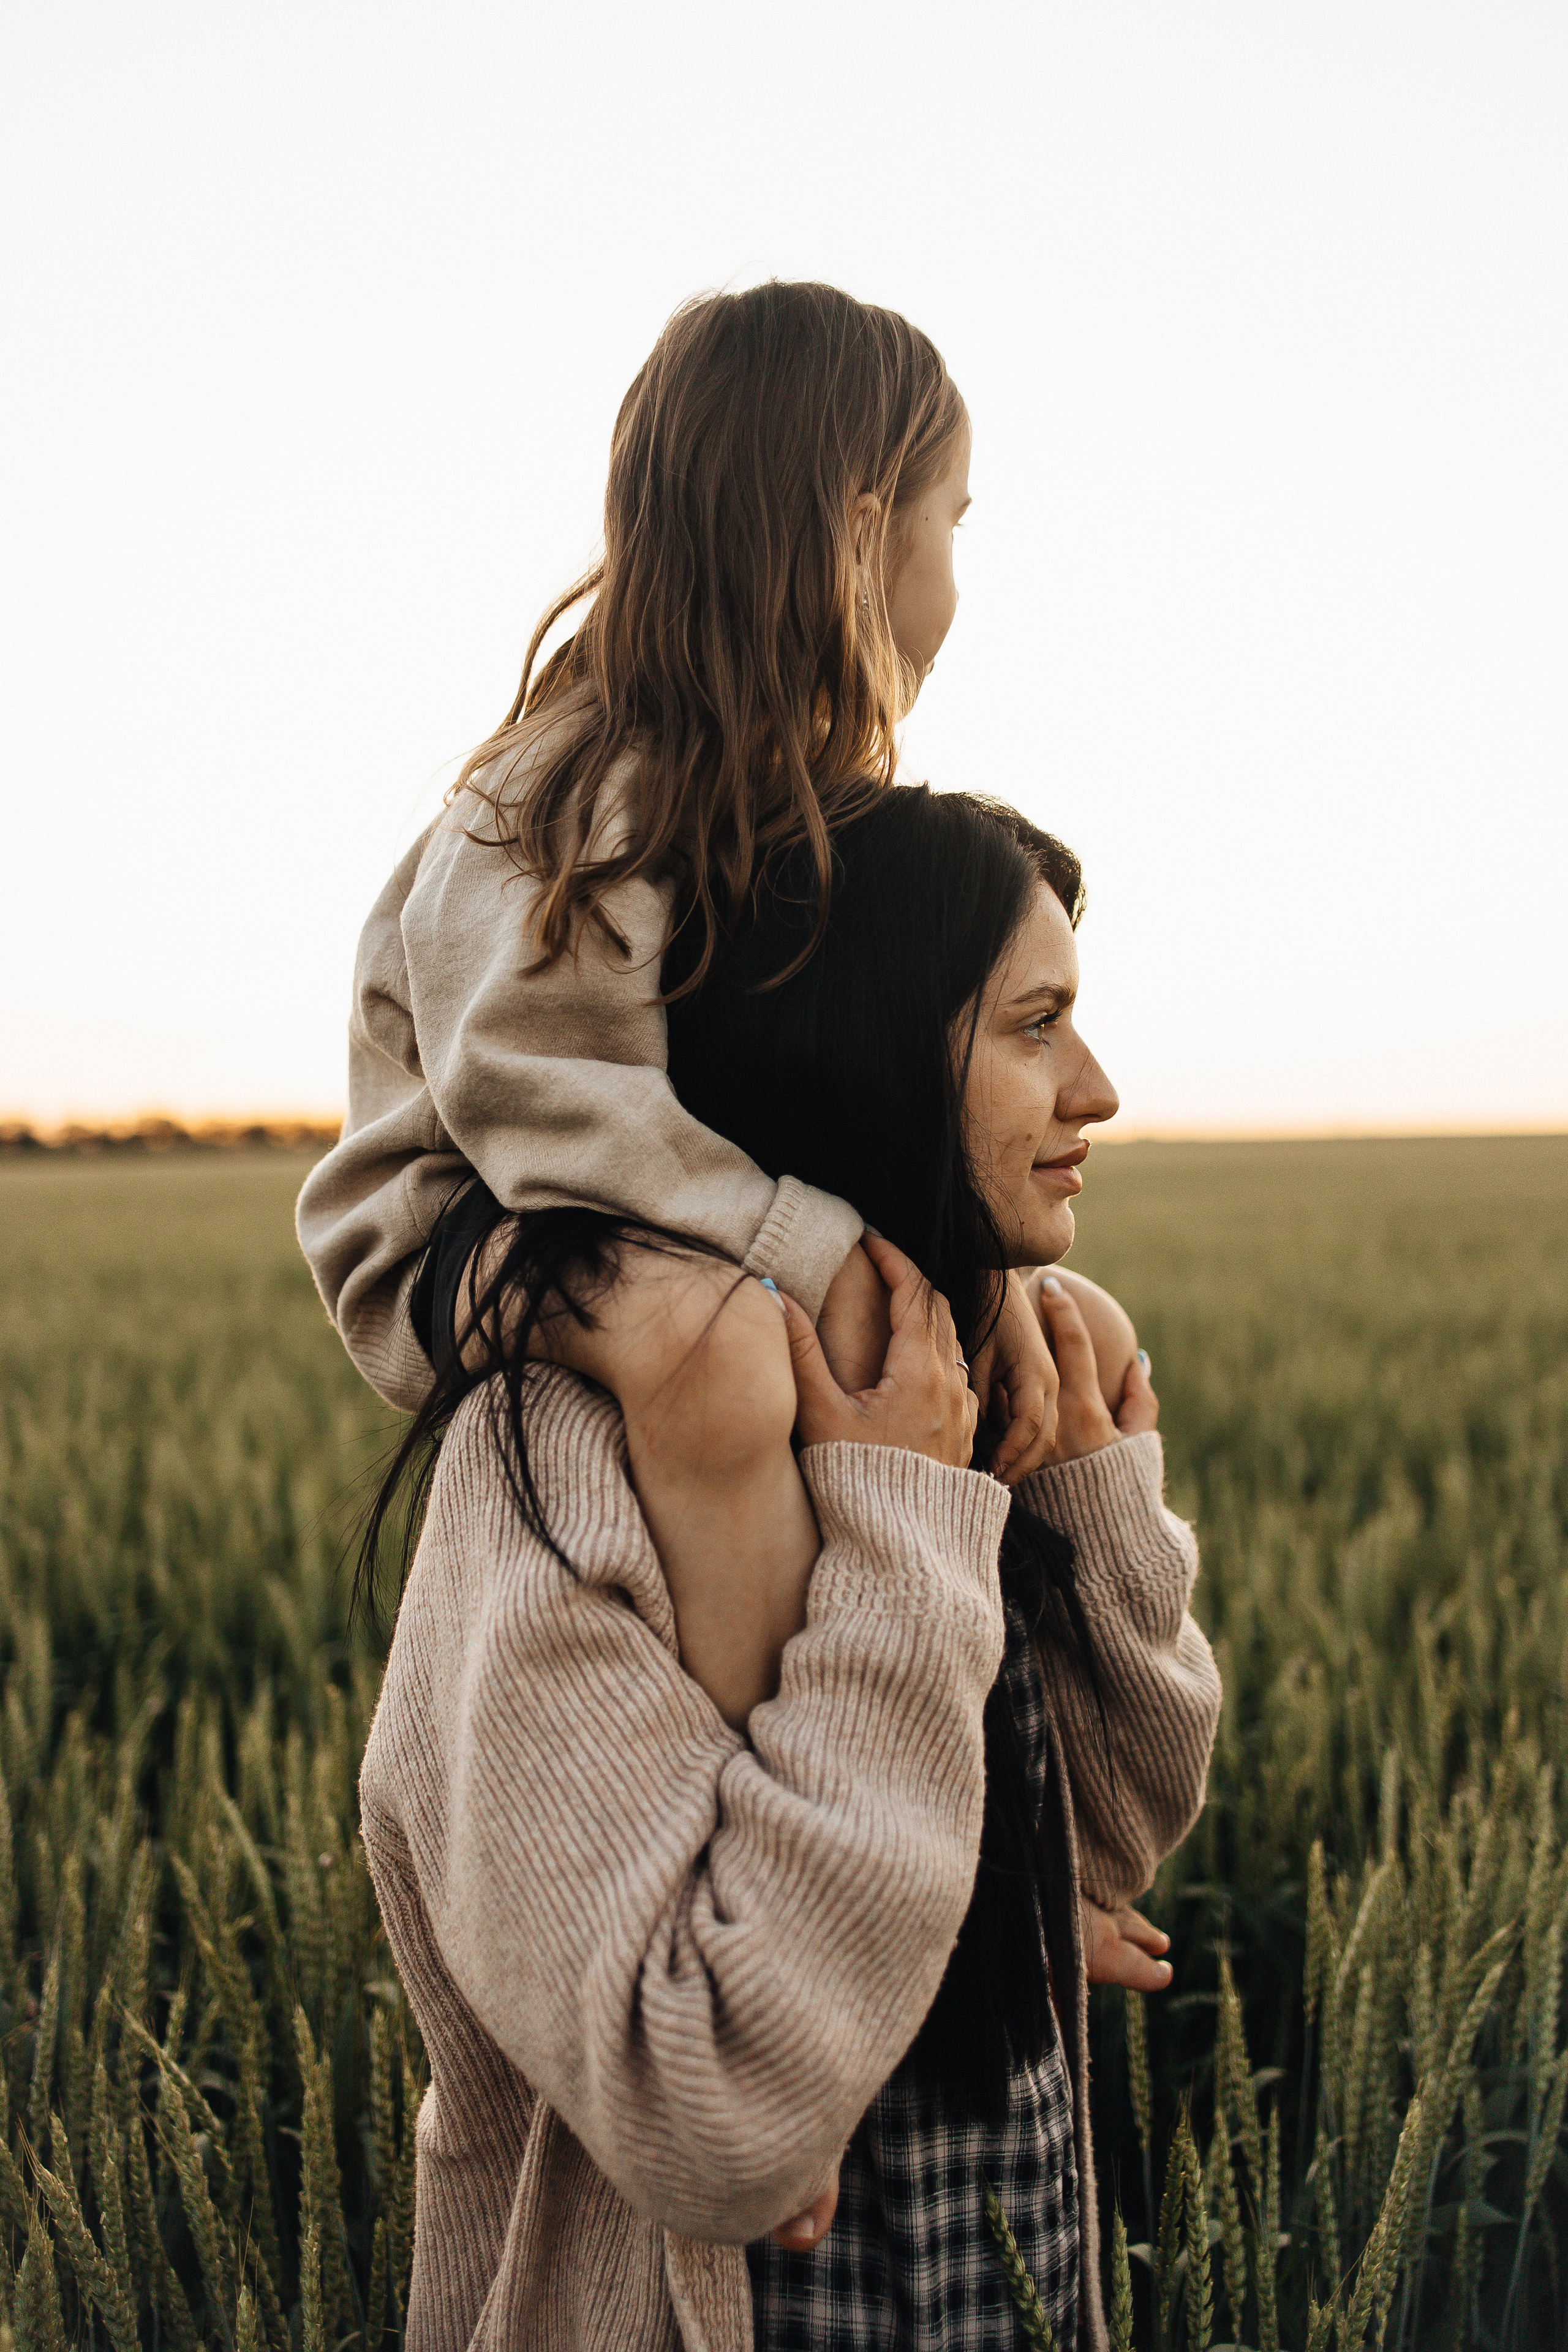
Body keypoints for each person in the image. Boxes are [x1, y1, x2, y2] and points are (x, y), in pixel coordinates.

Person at [356, 786, 1223, 2351]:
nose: (1096, 1089)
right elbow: (713, 2106)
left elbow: (1111, 1841)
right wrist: (896, 1528)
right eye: (1034, 1027)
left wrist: (1090, 1500)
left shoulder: (952, 1381)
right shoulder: (563, 1451)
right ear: (866, 1043)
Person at [296, 282, 1066, 1724]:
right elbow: (552, 1116)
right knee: (709, 1354)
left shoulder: (794, 803)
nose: (959, 574)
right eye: (952, 521)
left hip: (620, 1202)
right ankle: (761, 1765)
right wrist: (815, 1255)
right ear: (854, 527)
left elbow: (835, 1096)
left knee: (977, 1336)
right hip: (455, 1221)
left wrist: (982, 1276)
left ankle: (992, 1785)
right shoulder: (554, 798)